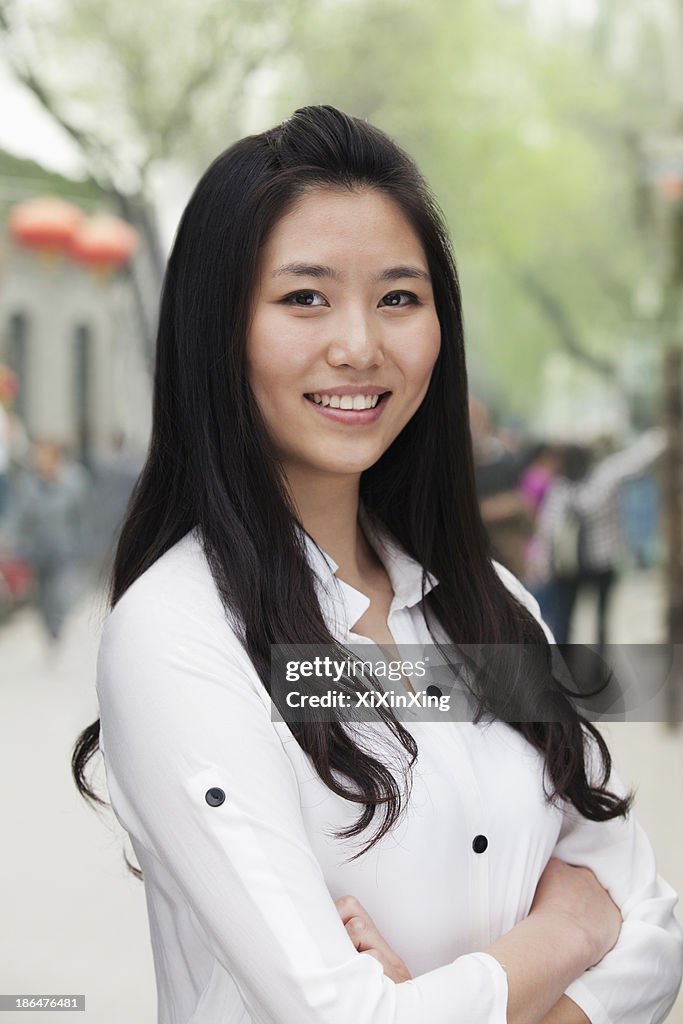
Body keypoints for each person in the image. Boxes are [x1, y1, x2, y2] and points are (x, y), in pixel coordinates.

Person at [72, 107, 682, 1024]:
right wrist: (562, 936)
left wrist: (454, 998)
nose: (359, 344)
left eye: (398, 296)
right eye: (304, 297)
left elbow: (653, 920)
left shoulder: (487, 605)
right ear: (216, 328)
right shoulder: (179, 636)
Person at [534, 430, 666, 648]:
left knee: (599, 618)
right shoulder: (561, 488)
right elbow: (547, 529)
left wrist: (665, 434)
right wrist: (541, 562)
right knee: (566, 619)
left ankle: (598, 662)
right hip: (570, 566)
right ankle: (567, 664)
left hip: (602, 561)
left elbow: (638, 457)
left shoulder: (603, 476)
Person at [11, 438, 90, 647]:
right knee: (42, 595)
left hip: (64, 549)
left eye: (45, 457)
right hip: (37, 550)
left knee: (60, 592)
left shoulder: (73, 483)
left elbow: (82, 516)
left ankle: (57, 626)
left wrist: (82, 544)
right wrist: (17, 544)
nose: (41, 461)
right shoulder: (29, 485)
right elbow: (21, 518)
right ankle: (49, 627)